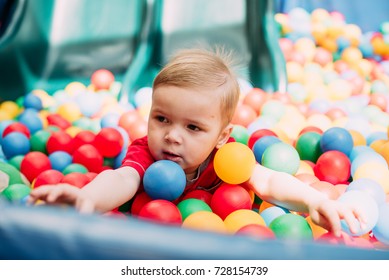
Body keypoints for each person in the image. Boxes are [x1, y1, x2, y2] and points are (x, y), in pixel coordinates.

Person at [28, 47, 364, 237]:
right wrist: (86, 200)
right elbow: (121, 179)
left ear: (221, 137)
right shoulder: (145, 152)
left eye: (193, 127)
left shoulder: (228, 159)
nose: (173, 135)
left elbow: (269, 181)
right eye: (162, 119)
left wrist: (313, 200)